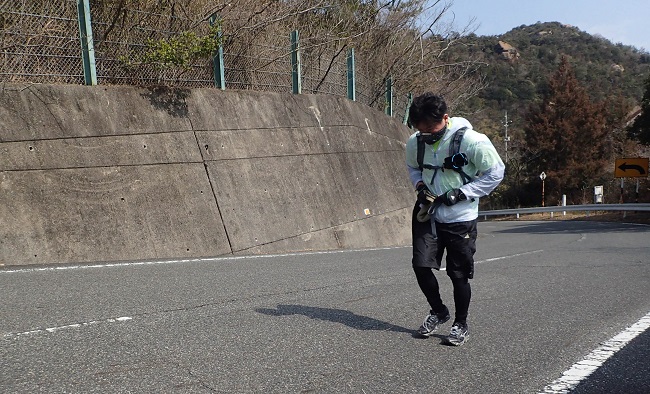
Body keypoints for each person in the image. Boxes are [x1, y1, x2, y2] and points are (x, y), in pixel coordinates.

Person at [405, 92, 504, 346]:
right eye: (421, 130)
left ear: (445, 118)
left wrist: (462, 193)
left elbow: (495, 172)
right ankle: (438, 311)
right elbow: (413, 167)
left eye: (431, 128)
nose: (426, 134)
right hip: (429, 214)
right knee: (421, 266)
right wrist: (419, 185)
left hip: (461, 217)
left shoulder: (472, 141)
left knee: (457, 274)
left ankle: (461, 323)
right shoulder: (415, 142)